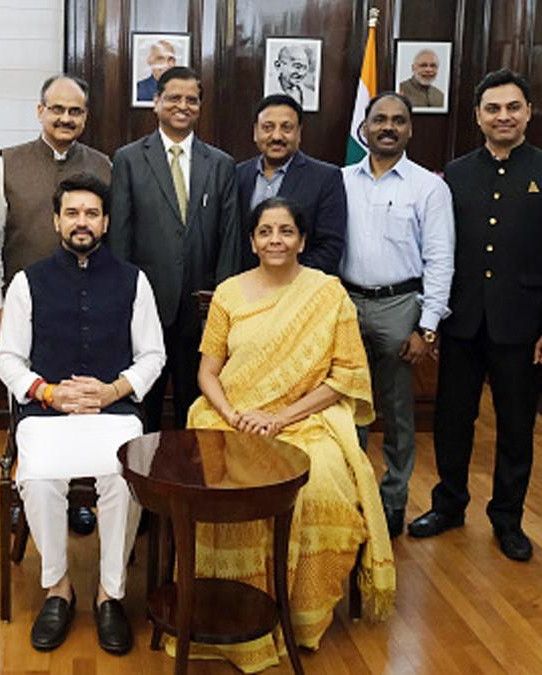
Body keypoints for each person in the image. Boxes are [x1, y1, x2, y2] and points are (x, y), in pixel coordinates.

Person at [183, 196, 394, 671]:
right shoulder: (229, 293)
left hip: (305, 420)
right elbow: (208, 372)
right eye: (266, 232)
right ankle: (226, 608)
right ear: (252, 240)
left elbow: (344, 376)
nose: (275, 240)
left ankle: (299, 616)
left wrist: (281, 418)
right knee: (220, 484)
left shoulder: (327, 293)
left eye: (285, 231)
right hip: (229, 416)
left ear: (301, 239)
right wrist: (235, 413)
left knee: (319, 485)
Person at [408, 69, 542, 562]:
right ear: (478, 116)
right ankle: (449, 504)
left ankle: (507, 519)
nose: (502, 116)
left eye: (512, 107)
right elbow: (439, 252)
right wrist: (434, 319)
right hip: (462, 324)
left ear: (528, 112)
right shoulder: (457, 173)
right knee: (452, 420)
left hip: (524, 329)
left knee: (515, 426)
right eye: (492, 109)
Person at [0, 173, 164, 655]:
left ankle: (110, 592)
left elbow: (153, 355)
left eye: (91, 213)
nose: (82, 222)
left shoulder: (134, 280)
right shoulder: (28, 282)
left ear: (106, 221)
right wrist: (47, 392)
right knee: (42, 478)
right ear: (56, 221)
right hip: (47, 413)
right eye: (72, 213)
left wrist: (113, 390)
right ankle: (59, 587)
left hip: (115, 412)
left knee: (123, 478)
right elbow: (8, 359)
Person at [0, 74, 112, 537]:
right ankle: (37, 488)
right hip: (22, 308)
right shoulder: (6, 163)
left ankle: (81, 495)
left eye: (75, 111)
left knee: (83, 401)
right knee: (33, 404)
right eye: (57, 109)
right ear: (40, 111)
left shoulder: (103, 165)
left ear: (85, 116)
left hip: (86, 306)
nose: (66, 118)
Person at [341, 92, 455, 537]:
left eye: (398, 121)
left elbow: (441, 260)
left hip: (399, 307)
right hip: (346, 304)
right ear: (364, 128)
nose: (388, 127)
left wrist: (426, 328)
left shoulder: (429, 187)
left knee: (397, 412)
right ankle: (353, 496)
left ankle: (392, 500)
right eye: (379, 119)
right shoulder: (341, 180)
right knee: (349, 406)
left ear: (410, 129)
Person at [109, 66, 239, 432]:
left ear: (199, 106)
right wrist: (124, 301)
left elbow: (229, 239)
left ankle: (190, 483)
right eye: (174, 98)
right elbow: (119, 236)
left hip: (203, 310)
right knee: (142, 402)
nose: (183, 106)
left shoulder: (221, 164)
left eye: (191, 100)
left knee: (195, 404)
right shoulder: (129, 159)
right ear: (156, 102)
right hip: (146, 306)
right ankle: (140, 481)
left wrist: (223, 304)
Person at [236, 94, 344, 272]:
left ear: (299, 132)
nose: (277, 136)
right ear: (255, 132)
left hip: (300, 291)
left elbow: (329, 248)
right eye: (268, 127)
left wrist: (286, 280)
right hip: (246, 290)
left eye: (286, 128)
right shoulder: (238, 175)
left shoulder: (326, 178)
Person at [135, 39, 176, 104]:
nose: (166, 65)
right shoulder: (139, 89)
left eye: (170, 59)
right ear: (149, 61)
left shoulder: (181, 90)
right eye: (160, 59)